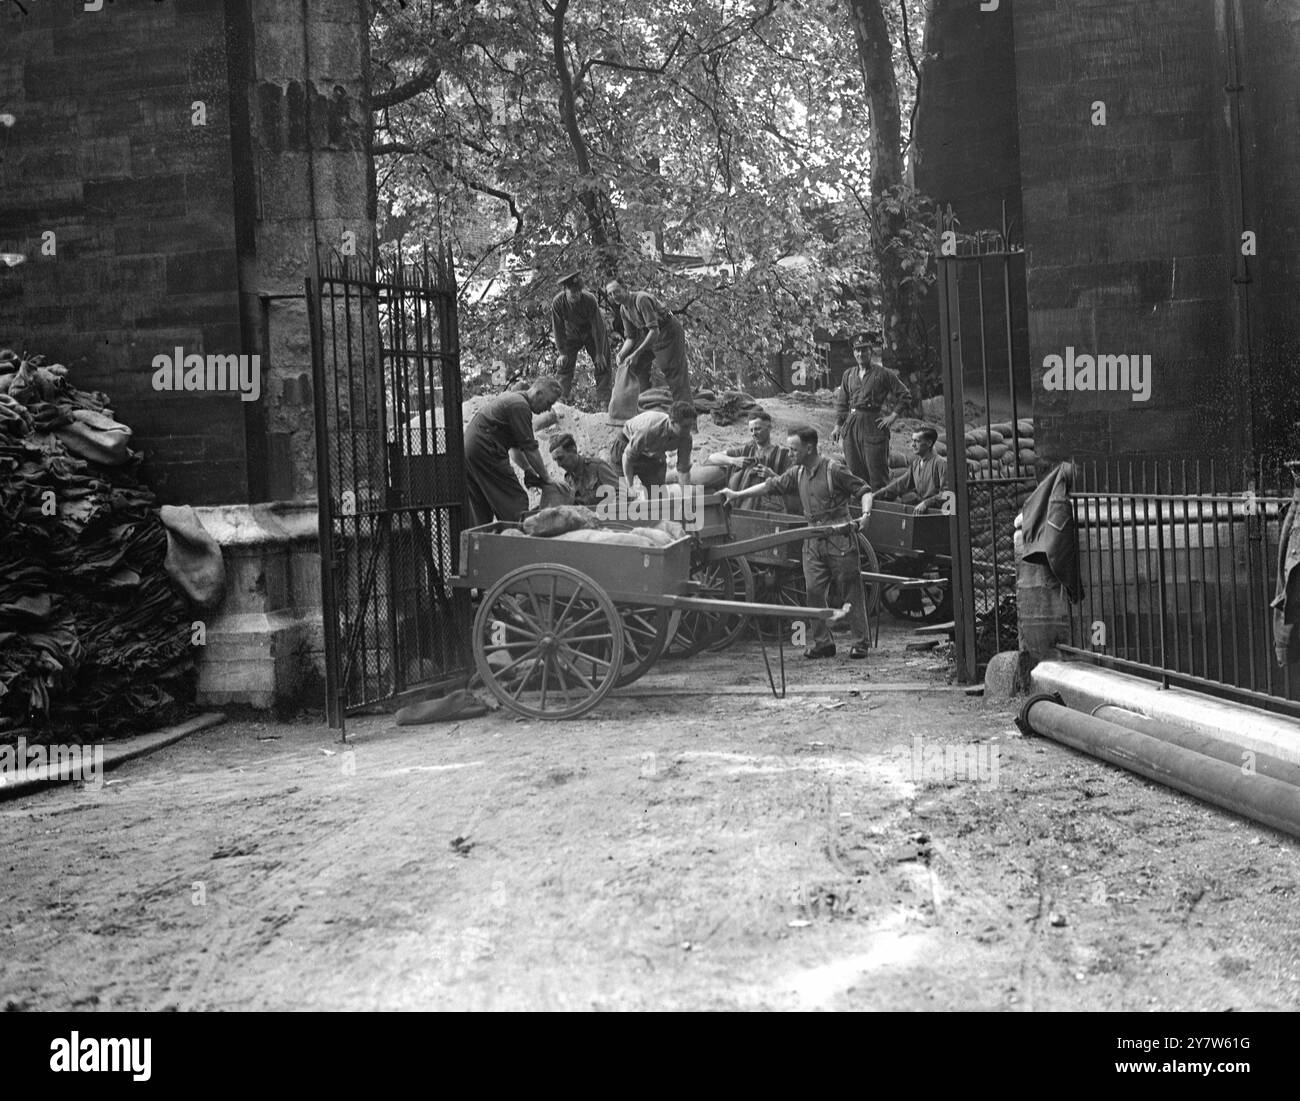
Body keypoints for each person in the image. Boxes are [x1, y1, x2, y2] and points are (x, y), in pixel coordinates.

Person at [719, 425, 872, 660]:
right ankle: (823, 643)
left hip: (839, 537)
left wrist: (866, 515)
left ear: (809, 448)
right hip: (812, 538)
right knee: (812, 591)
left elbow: (864, 490)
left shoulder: (834, 469)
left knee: (850, 590)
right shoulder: (796, 472)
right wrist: (738, 495)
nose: (790, 454)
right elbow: (772, 485)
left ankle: (860, 642)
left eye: (793, 449)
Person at [464, 377, 562, 527]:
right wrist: (547, 478)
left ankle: (481, 543)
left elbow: (515, 449)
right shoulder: (520, 406)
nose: (548, 409)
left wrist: (528, 470)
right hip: (485, 449)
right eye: (549, 403)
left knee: (481, 506)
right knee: (516, 500)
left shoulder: (512, 399)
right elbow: (530, 449)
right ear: (538, 393)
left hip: (471, 451)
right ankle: (518, 543)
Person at [832, 330, 911, 490]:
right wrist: (837, 426)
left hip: (873, 426)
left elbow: (905, 395)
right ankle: (862, 510)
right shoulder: (848, 375)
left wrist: (892, 417)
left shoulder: (883, 374)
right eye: (857, 350)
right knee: (855, 472)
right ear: (854, 353)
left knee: (877, 474)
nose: (860, 353)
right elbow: (842, 403)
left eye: (864, 350)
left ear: (871, 351)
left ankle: (882, 510)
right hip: (851, 427)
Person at [605, 279, 692, 405]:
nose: (614, 296)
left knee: (673, 372)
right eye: (610, 294)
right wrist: (621, 354)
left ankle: (685, 410)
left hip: (668, 332)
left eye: (616, 291)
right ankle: (643, 402)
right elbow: (631, 337)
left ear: (625, 288)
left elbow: (654, 331)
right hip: (649, 334)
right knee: (633, 365)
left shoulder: (641, 300)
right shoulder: (624, 310)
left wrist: (636, 354)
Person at [704, 410, 798, 510]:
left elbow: (793, 485)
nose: (754, 434)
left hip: (770, 507)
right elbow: (712, 458)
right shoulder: (746, 450)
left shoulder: (783, 455)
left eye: (757, 429)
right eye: (751, 430)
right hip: (742, 504)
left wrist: (772, 475)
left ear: (769, 428)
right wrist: (734, 461)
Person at [610, 400, 697, 494]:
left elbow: (683, 470)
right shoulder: (650, 430)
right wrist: (630, 487)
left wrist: (686, 497)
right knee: (623, 495)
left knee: (658, 495)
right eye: (685, 426)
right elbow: (627, 457)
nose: (688, 430)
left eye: (690, 426)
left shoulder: (686, 438)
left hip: (651, 453)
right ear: (672, 422)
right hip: (626, 446)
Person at [551, 271, 610, 407]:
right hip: (571, 334)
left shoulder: (589, 300)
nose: (576, 295)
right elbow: (558, 328)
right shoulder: (558, 303)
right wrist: (562, 352)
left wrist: (600, 353)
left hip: (592, 334)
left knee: (602, 364)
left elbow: (598, 327)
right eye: (573, 292)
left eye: (578, 291)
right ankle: (560, 400)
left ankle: (604, 401)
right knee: (564, 364)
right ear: (565, 290)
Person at [863, 425, 949, 514]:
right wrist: (875, 495)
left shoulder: (941, 464)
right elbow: (900, 484)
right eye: (913, 440)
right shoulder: (916, 464)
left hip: (938, 513)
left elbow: (947, 494)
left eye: (917, 441)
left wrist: (926, 503)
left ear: (929, 443)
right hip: (922, 511)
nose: (913, 445)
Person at [547, 432, 620, 507]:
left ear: (573, 450)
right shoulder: (568, 479)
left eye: (560, 458)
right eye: (555, 460)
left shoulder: (597, 467)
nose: (559, 464)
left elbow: (621, 495)